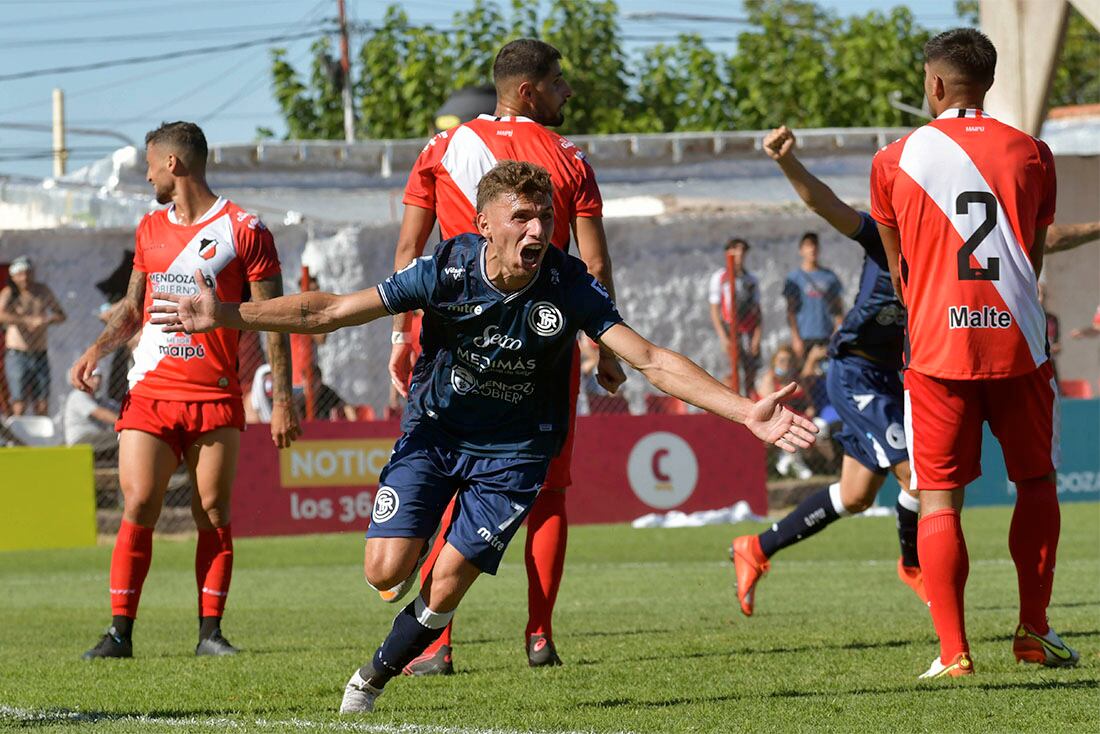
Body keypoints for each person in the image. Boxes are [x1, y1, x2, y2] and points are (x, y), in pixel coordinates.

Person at [147, 160, 819, 714]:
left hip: (517, 453)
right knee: (384, 572)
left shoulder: (566, 282)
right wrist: (226, 313)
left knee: (444, 588)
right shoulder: (444, 270)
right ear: (485, 225)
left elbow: (649, 358)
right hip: (435, 434)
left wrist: (745, 410)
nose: (537, 229)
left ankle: (372, 679)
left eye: (545, 218)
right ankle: (419, 554)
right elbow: (328, 310)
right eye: (522, 218)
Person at [390, 37, 625, 672]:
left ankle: (434, 643)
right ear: (529, 91)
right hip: (545, 342)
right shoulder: (569, 156)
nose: (567, 92)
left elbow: (411, 249)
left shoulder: (440, 149)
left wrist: (398, 337)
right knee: (548, 489)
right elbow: (594, 262)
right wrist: (606, 345)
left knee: (447, 484)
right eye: (559, 82)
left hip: (454, 346)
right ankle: (540, 634)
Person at [871, 28, 1077, 678]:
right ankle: (1034, 631)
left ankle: (953, 651)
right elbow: (1033, 256)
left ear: (933, 84)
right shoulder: (1034, 153)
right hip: (1018, 341)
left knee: (939, 497)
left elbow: (898, 272)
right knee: (1036, 482)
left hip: (936, 349)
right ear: (987, 82)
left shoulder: (893, 159)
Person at [69, 121, 300, 660]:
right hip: (150, 392)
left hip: (215, 396)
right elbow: (132, 307)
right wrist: (95, 350)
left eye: (149, 164)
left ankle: (210, 634)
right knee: (141, 501)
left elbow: (274, 319)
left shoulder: (246, 229)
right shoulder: (148, 229)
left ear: (173, 164)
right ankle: (119, 633)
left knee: (214, 513)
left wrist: (283, 398)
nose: (146, 174)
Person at [730, 125, 925, 619]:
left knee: (857, 496)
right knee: (917, 480)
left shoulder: (945, 243)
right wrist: (787, 161)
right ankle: (913, 563)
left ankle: (756, 547)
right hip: (855, 369)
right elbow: (824, 202)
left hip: (894, 376)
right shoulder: (885, 236)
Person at [0, 256, 67, 416]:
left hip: (39, 353)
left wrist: (46, 320)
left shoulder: (42, 291)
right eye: (20, 274)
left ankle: (40, 439)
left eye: (28, 273)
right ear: (13, 276)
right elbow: (1, 314)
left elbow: (61, 314)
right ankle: (18, 439)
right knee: (19, 401)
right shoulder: (10, 293)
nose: (25, 278)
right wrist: (25, 320)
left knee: (42, 402)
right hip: (17, 353)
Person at [707, 238, 762, 396]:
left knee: (751, 370)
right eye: (735, 250)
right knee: (731, 370)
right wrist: (723, 337)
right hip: (729, 328)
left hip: (748, 329)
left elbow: (758, 310)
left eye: (742, 251)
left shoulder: (751, 279)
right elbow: (714, 309)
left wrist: (757, 336)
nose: (739, 254)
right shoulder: (720, 278)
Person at [782, 233, 843, 359]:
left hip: (827, 335)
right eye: (808, 245)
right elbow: (791, 311)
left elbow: (838, 308)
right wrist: (795, 338)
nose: (812, 249)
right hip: (805, 336)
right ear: (801, 250)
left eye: (815, 245)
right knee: (805, 375)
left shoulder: (829, 277)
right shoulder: (794, 278)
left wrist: (837, 332)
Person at [63, 366, 119, 458]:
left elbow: (121, 410)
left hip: (97, 440)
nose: (97, 381)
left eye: (99, 377)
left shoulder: (99, 399)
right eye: (92, 377)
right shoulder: (77, 396)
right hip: (80, 441)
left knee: (122, 436)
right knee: (123, 436)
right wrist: (127, 423)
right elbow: (101, 415)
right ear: (83, 379)